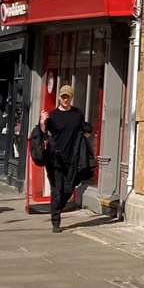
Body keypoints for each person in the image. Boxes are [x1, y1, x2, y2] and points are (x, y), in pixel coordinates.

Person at [41, 85, 94, 234]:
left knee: (69, 189)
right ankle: (56, 222)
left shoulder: (77, 114)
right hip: (56, 159)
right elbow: (44, 133)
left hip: (73, 158)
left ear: (71, 98)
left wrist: (88, 132)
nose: (65, 99)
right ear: (59, 97)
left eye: (68, 97)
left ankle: (57, 208)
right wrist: (42, 121)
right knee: (58, 190)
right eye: (63, 96)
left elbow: (85, 130)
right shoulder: (53, 115)